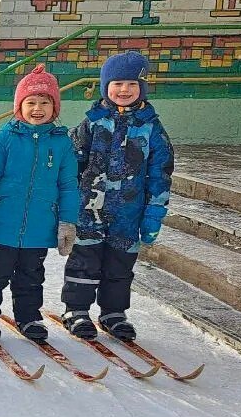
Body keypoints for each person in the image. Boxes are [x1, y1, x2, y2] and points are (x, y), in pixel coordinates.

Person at [60, 51, 173, 341]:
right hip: (89, 209)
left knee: (120, 265)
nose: (124, 90)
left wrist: (152, 217)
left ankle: (114, 313)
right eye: (117, 84)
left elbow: (160, 176)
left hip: (128, 213)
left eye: (132, 85)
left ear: (142, 88)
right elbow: (71, 166)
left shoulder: (151, 129)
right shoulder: (92, 124)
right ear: (105, 86)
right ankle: (76, 310)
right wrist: (65, 205)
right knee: (84, 261)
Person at [0, 64, 79, 341]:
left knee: (31, 276)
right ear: (19, 106)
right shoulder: (6, 138)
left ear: (55, 108)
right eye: (31, 102)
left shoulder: (62, 143)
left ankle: (29, 318)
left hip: (40, 226)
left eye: (44, 102)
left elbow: (68, 185)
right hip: (2, 223)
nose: (37, 108)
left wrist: (67, 221)